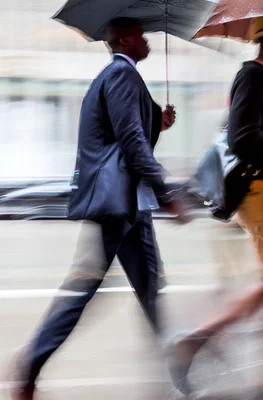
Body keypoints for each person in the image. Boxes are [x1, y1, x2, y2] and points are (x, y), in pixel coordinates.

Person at [11, 17, 187, 400]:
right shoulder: (121, 75)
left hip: (129, 204)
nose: (147, 41)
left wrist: (158, 120)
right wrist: (166, 190)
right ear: (124, 39)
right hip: (119, 203)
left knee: (149, 289)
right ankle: (31, 362)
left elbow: (124, 130)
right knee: (86, 288)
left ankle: (181, 377)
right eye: (141, 35)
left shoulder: (118, 76)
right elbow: (130, 141)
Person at [168, 15, 263, 395]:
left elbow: (255, 135)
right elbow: (243, 140)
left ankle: (197, 344)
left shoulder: (260, 80)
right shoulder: (253, 77)